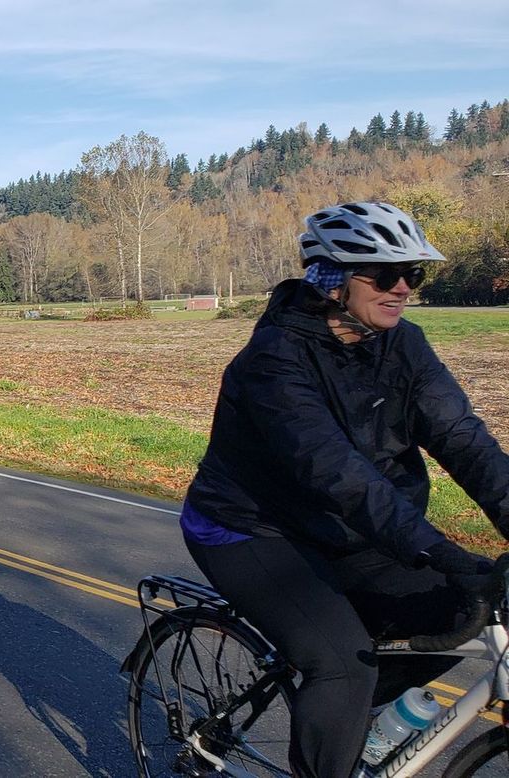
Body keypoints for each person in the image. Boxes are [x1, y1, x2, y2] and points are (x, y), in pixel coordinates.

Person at [180, 201, 509, 777]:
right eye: (383, 275)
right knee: (342, 666)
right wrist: (437, 549)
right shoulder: (273, 360)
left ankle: (352, 725)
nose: (402, 288)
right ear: (332, 279)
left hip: (349, 529)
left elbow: (464, 440)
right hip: (251, 530)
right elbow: (334, 471)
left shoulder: (404, 346)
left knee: (467, 611)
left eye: (413, 274)